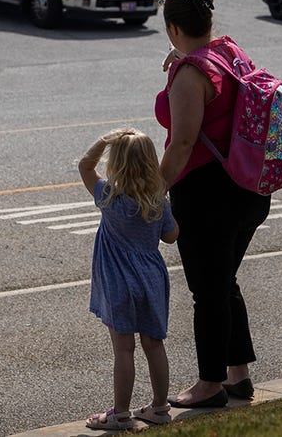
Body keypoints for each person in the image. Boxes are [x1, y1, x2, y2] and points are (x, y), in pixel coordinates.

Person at [155, 0, 272, 410]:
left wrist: (154, 192)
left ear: (172, 28)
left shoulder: (191, 74)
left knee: (207, 290)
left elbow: (182, 144)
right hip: (248, 189)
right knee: (223, 281)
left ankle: (209, 384)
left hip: (208, 197)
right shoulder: (228, 51)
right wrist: (183, 58)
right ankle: (238, 374)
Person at [79, 128, 179, 430]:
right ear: (151, 162)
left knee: (124, 349)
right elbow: (172, 237)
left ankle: (120, 413)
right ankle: (160, 408)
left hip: (118, 282)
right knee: (154, 345)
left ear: (116, 163)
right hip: (150, 279)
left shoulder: (108, 196)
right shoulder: (157, 201)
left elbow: (85, 166)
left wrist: (104, 140)